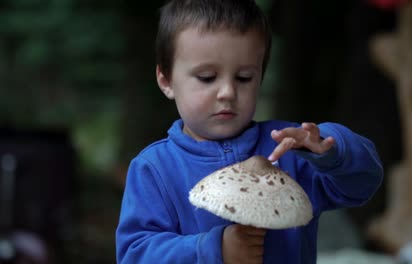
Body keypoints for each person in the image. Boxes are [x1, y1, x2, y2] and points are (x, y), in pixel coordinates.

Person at [115, 0, 384, 263]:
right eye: (207, 77)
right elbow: (134, 254)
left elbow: (364, 184)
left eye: (244, 77)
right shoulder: (155, 168)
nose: (228, 92)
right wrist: (213, 249)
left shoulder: (289, 148)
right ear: (166, 80)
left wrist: (331, 151)